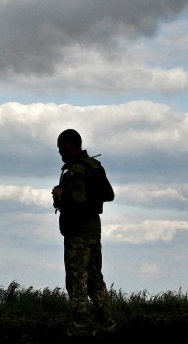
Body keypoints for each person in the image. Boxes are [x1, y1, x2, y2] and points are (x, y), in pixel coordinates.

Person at [52, 128, 115, 335]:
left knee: (76, 281)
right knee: (95, 279)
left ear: (68, 146)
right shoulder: (94, 166)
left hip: (77, 234)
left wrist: (63, 193)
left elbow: (77, 200)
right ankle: (107, 324)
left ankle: (79, 327)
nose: (60, 153)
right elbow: (109, 195)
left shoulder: (76, 170)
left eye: (61, 149)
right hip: (93, 232)